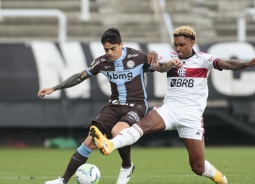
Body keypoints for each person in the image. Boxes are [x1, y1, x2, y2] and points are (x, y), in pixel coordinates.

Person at [91, 26, 255, 184]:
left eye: (182, 44)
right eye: (175, 44)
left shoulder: (203, 59)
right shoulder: (171, 57)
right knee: (142, 125)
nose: (178, 48)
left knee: (198, 167)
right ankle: (110, 145)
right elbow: (157, 65)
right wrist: (152, 53)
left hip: (191, 116)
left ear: (192, 42)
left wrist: (245, 63)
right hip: (170, 110)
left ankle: (220, 178)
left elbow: (226, 63)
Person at [38, 28, 182, 184]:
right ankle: (63, 180)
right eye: (106, 49)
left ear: (121, 44)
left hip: (136, 106)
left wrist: (170, 63)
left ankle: (126, 166)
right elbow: (80, 77)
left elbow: (160, 67)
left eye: (113, 48)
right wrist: (55, 88)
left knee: (117, 131)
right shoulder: (101, 62)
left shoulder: (137, 57)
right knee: (90, 141)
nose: (109, 52)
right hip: (114, 106)